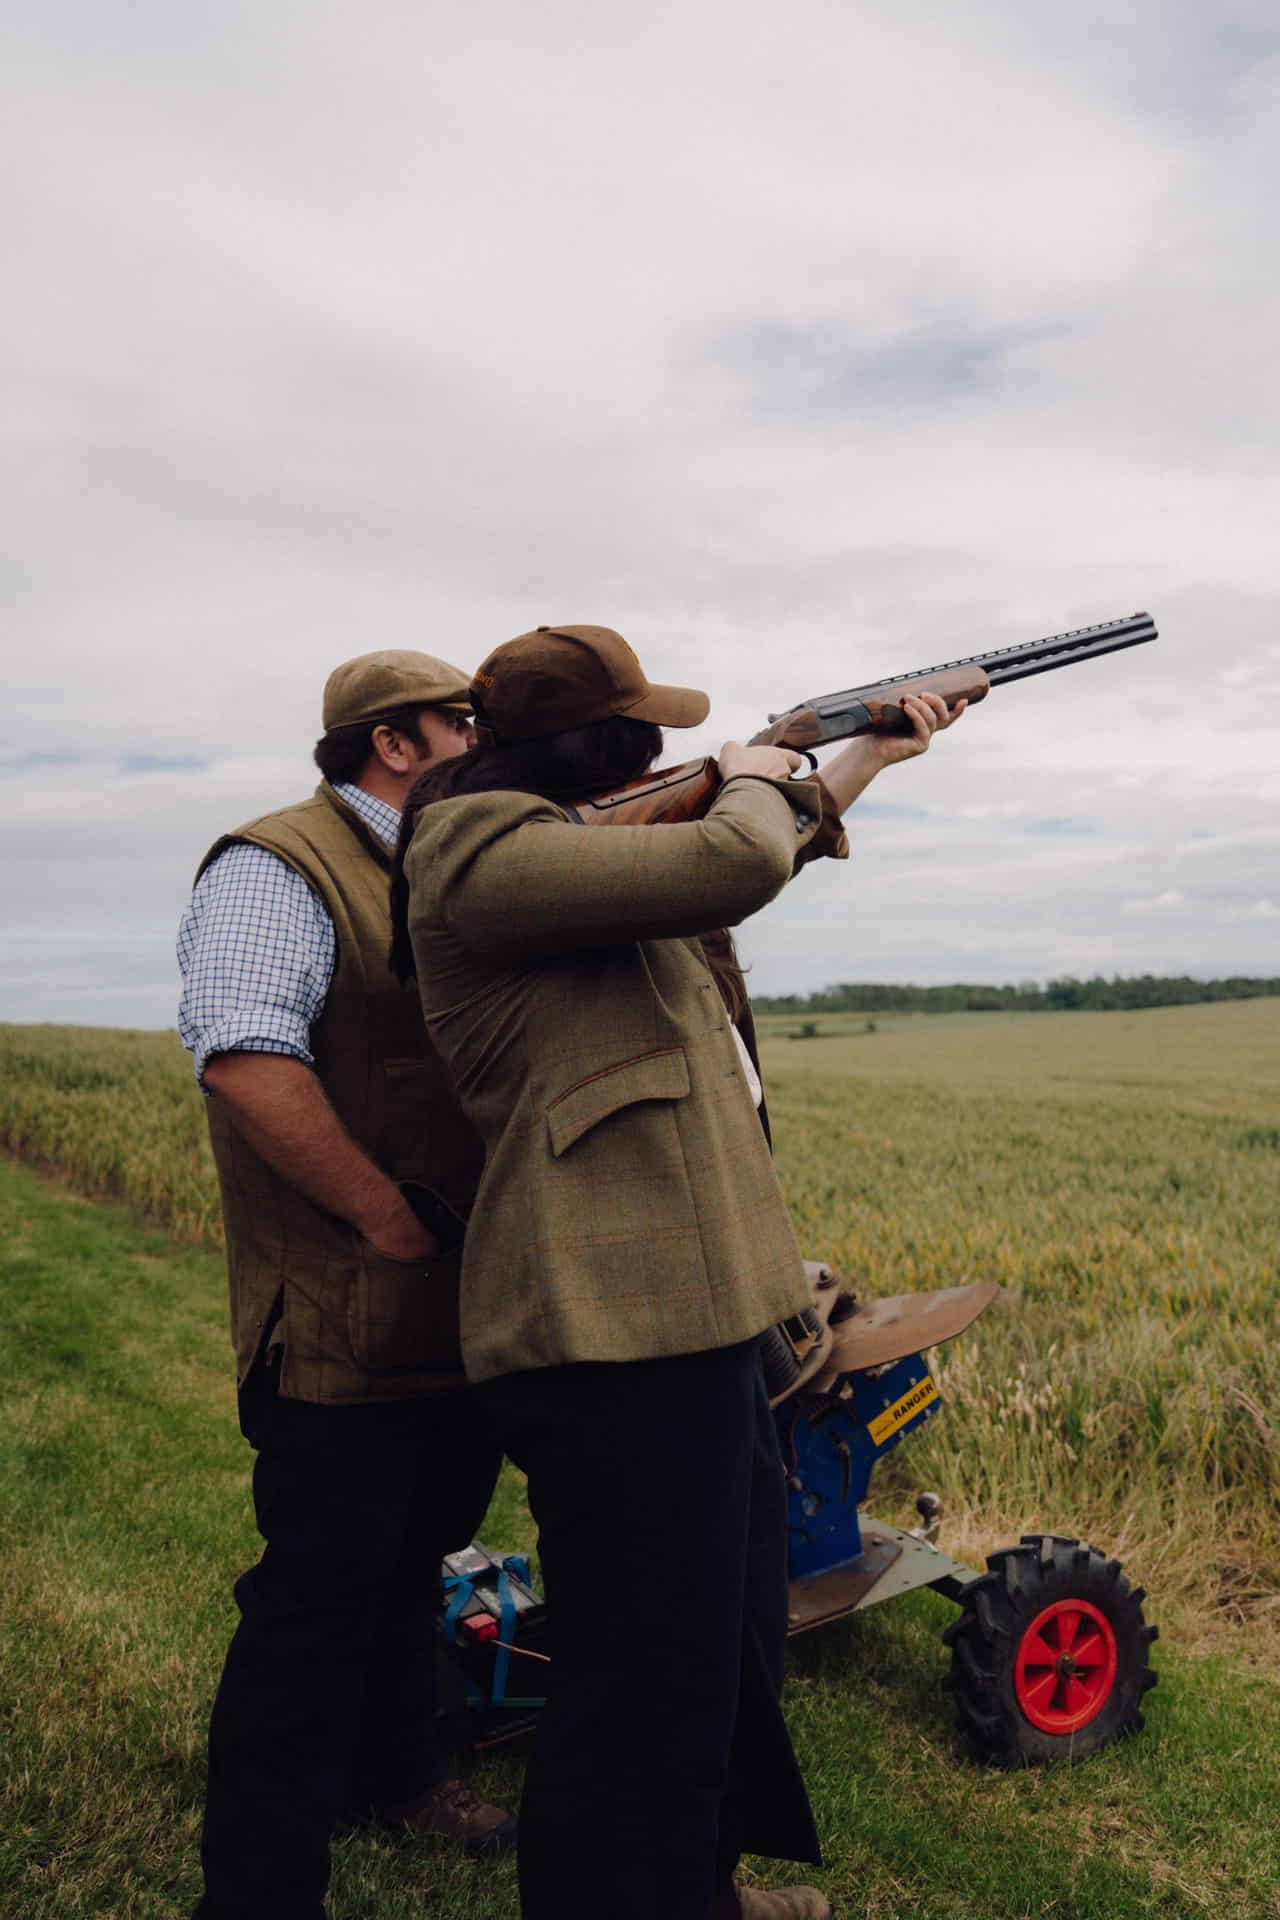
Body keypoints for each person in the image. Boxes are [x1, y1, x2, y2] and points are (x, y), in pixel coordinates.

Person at [389, 624, 961, 1920]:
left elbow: (762, 836)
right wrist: (759, 770)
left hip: (690, 1323)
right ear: (591, 747)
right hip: (606, 1332)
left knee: (722, 1650)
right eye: (635, 730)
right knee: (636, 1673)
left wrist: (860, 750)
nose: (655, 747)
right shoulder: (474, 851)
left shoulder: (589, 873)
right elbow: (737, 851)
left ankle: (696, 1887)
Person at [177, 650, 513, 1920]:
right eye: (462, 720)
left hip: (454, 1319)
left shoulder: (452, 858)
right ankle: (258, 1893)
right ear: (394, 742)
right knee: (312, 1604)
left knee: (414, 1556)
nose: (482, 738)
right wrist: (387, 1220)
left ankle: (396, 1774)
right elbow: (248, 1056)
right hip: (339, 1313)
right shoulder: (277, 864)